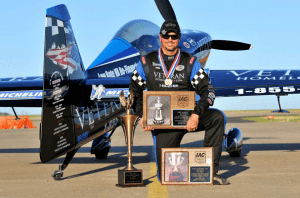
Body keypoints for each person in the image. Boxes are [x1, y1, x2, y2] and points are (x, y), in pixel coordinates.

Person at [129, 20, 230, 185]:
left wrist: (196, 114)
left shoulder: (190, 62)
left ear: (179, 38)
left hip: (189, 117)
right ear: (160, 38)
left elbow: (208, 91)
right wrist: (143, 115)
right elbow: (134, 90)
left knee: (217, 117)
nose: (170, 39)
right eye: (166, 36)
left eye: (174, 36)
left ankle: (210, 171)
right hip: (163, 124)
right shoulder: (146, 62)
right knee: (167, 177)